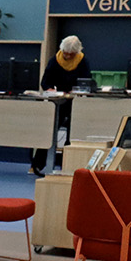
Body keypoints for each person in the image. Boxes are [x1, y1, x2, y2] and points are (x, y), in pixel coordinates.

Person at [32, 35, 87, 174]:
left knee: (73, 135)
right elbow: (45, 82)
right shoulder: (55, 60)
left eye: (71, 54)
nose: (67, 56)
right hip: (58, 102)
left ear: (76, 52)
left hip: (76, 103)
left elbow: (87, 82)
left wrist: (77, 90)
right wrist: (50, 89)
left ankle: (68, 165)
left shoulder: (82, 61)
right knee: (49, 132)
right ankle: (37, 165)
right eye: (66, 53)